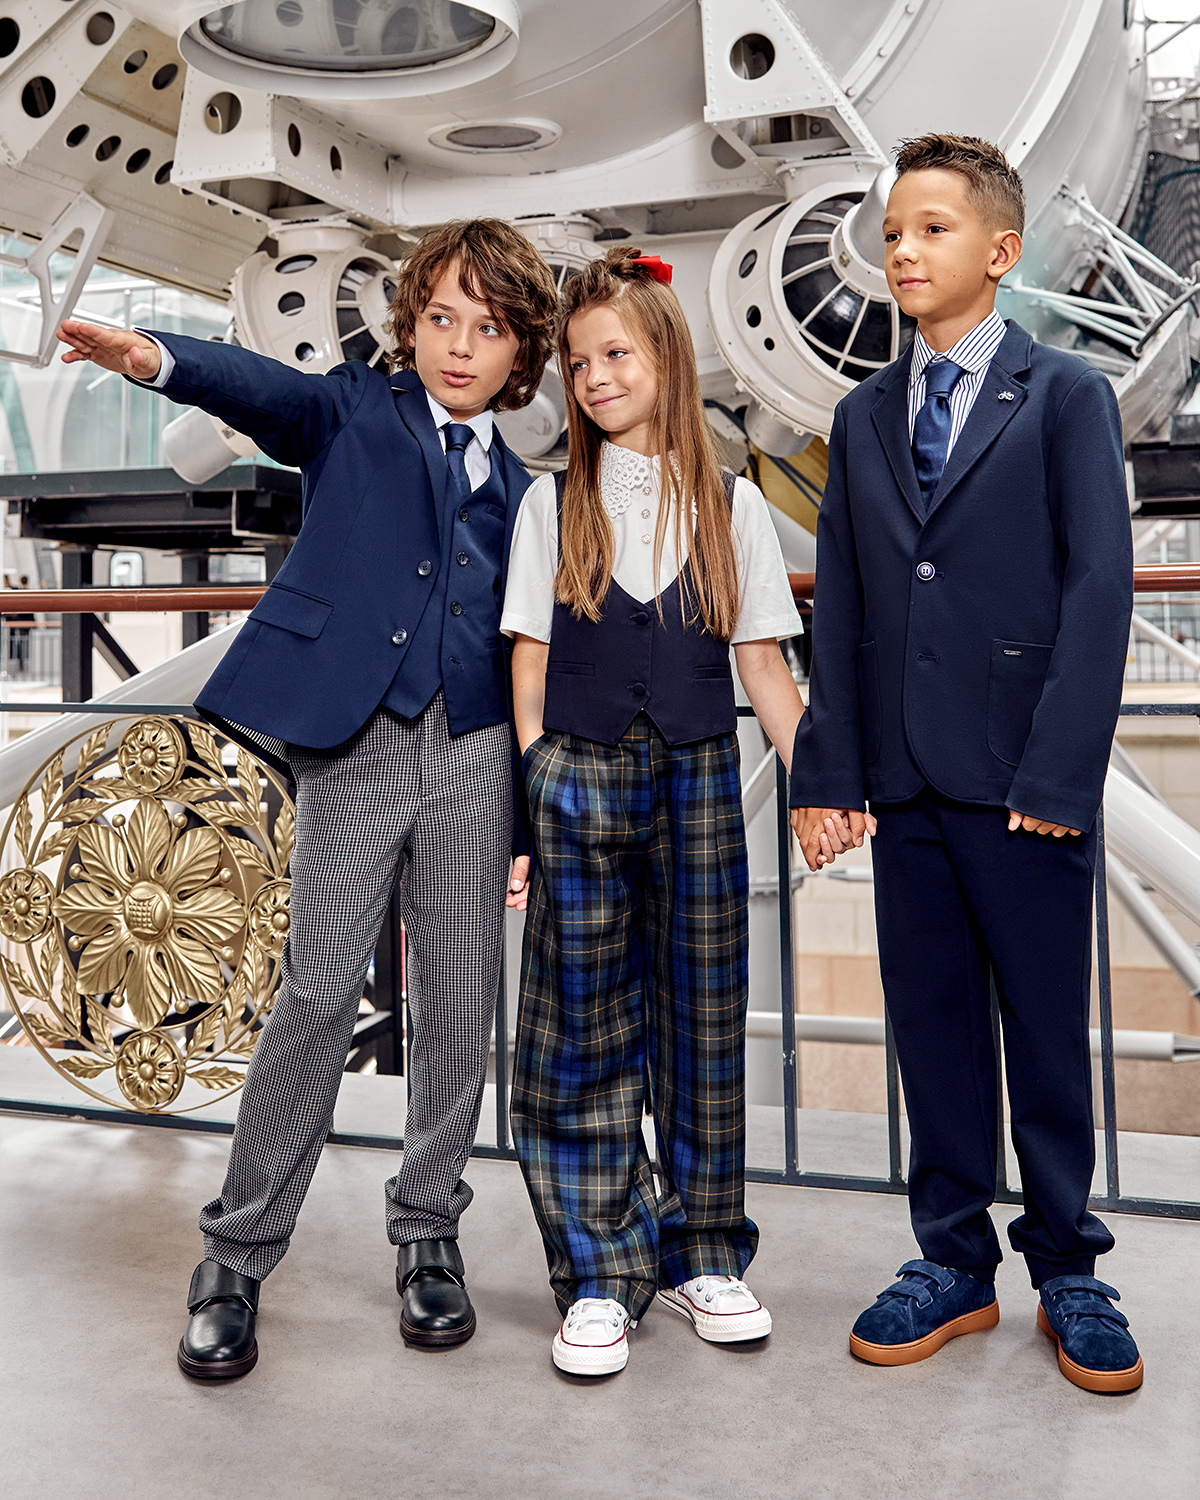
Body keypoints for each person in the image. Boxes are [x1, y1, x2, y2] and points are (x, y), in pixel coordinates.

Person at [56, 219, 559, 1377]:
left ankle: (428, 1234)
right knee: (319, 992)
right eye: (441, 319)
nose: (460, 346)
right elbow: (262, 390)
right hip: (357, 741)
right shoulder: (351, 412)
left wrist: (529, 821)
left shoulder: (530, 490)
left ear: (520, 350)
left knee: (459, 998)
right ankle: (236, 1254)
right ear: (410, 326)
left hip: (478, 751)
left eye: (488, 328)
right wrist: (157, 358)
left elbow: (538, 655)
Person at [791, 134, 1140, 1392]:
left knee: (1043, 1033)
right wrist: (828, 771)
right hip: (906, 779)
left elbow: (1099, 592)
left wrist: (1059, 778)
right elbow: (843, 603)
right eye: (892, 231)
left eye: (932, 229)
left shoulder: (1067, 398)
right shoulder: (860, 416)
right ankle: (952, 1258)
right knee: (933, 1030)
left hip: (1022, 780)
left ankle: (1069, 1266)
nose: (902, 250)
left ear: (1001, 252)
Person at [503, 248, 805, 1376]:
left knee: (703, 1016)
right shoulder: (551, 503)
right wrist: (535, 787)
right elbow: (529, 663)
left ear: (669, 359)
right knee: (579, 1023)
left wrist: (821, 783)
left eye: (616, 354)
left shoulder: (734, 506)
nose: (594, 378)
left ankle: (702, 1253)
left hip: (698, 775)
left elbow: (764, 666)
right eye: (578, 363)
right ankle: (598, 1269)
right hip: (575, 774)